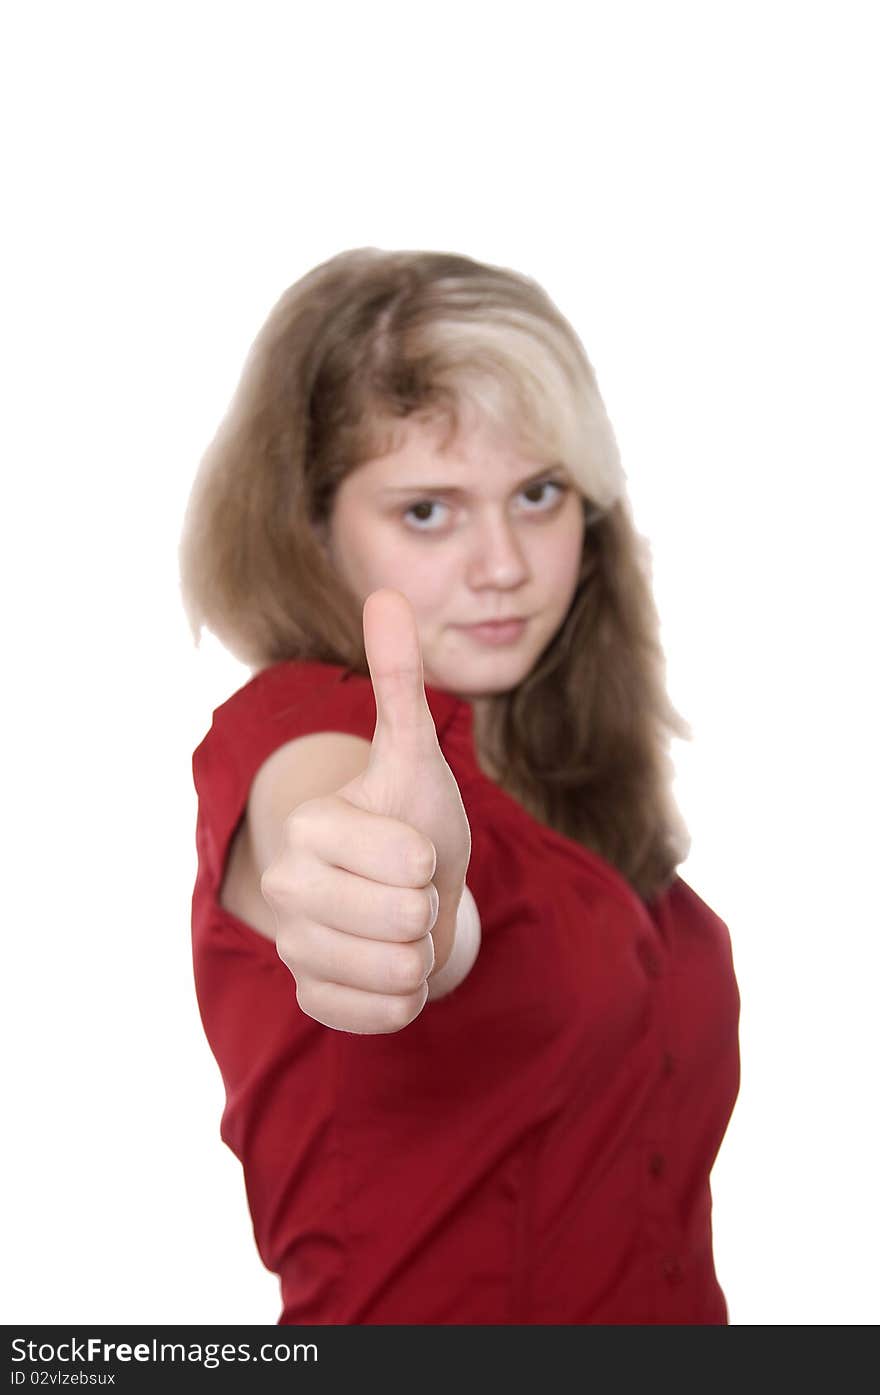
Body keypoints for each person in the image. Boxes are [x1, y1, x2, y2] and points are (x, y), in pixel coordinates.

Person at [178, 247, 741, 1325]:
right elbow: (350, 843)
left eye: (537, 495)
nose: (503, 565)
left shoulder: (558, 780)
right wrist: (402, 912)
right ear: (309, 526)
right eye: (427, 511)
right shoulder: (309, 735)